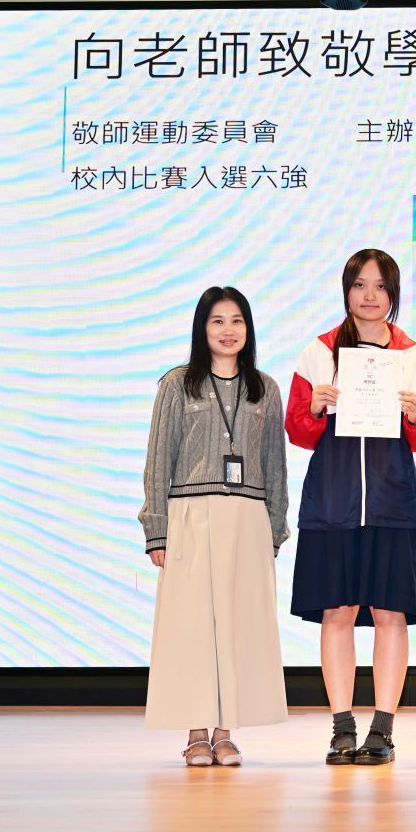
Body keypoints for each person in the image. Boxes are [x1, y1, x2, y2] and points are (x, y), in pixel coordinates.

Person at [285, 248, 416, 766]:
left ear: (393, 293)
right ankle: (341, 727)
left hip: (392, 503)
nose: (369, 296)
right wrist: (313, 407)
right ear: (346, 290)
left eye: (379, 286)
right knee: (337, 612)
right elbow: (297, 430)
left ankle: (382, 729)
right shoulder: (319, 351)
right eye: (359, 285)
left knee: (390, 613)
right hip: (332, 502)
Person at [140, 286, 289, 767]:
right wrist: (157, 529)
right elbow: (158, 459)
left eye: (237, 321)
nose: (228, 331)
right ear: (202, 328)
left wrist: (274, 529)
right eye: (217, 321)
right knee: (192, 629)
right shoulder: (177, 385)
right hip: (191, 516)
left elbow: (275, 464)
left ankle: (226, 734)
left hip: (247, 519)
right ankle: (196, 733)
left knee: (238, 626)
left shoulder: (265, 389)